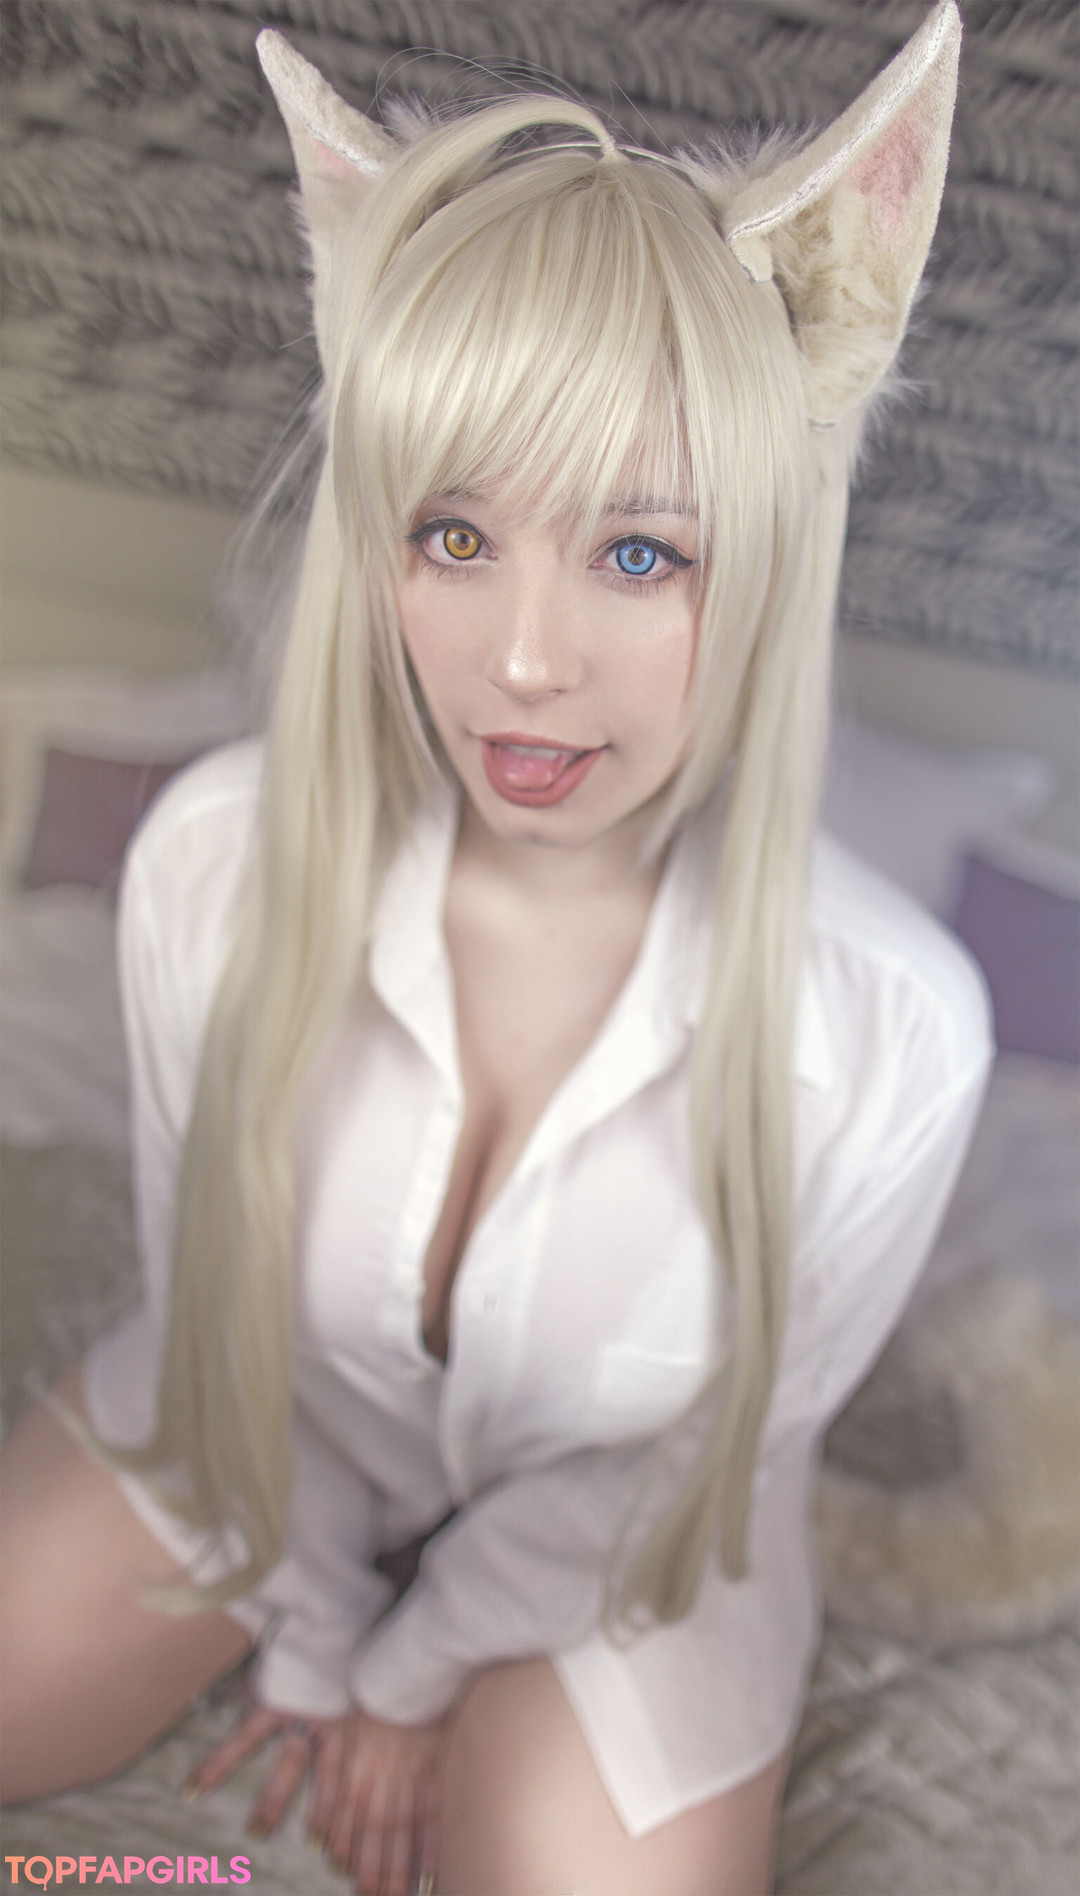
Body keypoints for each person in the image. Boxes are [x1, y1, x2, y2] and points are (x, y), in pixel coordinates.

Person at [1, 5, 991, 1892]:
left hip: (640, 1548)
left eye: (638, 554)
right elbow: (218, 1316)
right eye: (455, 538)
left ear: (762, 565)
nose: (526, 661)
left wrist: (411, 1673)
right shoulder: (209, 869)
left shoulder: (894, 1033)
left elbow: (693, 1466)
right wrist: (305, 1630)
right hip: (265, 1435)